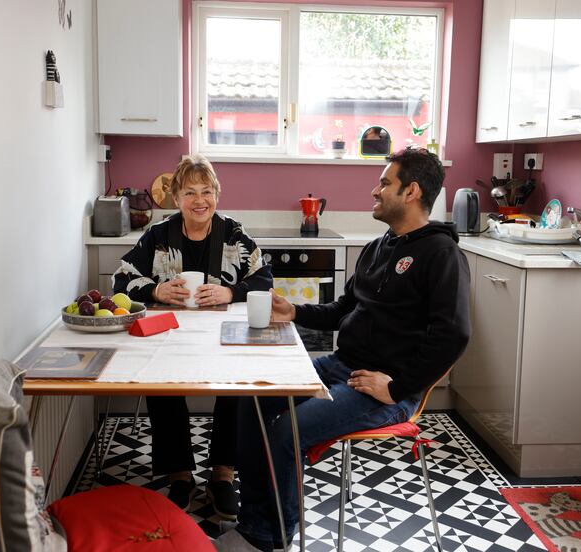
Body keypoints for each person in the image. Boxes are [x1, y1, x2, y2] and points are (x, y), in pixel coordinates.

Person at [215, 147, 471, 551]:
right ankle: (255, 520)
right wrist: (293, 311)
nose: (375, 190)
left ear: (412, 192)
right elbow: (343, 310)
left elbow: (454, 334)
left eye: (385, 182)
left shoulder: (442, 255)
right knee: (252, 398)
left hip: (382, 388)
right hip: (341, 366)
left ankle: (269, 538)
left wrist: (398, 387)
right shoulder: (378, 246)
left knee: (287, 431)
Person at [112, 154, 272, 520]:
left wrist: (232, 293)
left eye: (206, 191)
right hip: (170, 332)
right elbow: (120, 280)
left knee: (237, 385)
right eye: (189, 193)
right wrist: (155, 291)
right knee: (161, 385)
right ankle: (180, 474)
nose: (199, 201)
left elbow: (264, 279)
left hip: (225, 334)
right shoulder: (157, 235)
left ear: (217, 193)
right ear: (176, 198)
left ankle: (223, 474)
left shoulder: (234, 233)